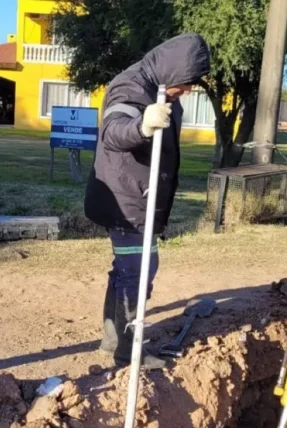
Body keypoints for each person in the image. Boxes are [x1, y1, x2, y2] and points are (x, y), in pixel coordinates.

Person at [85, 33, 211, 370]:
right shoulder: (131, 87)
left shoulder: (161, 89)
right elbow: (113, 131)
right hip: (126, 201)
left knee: (127, 270)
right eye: (188, 82)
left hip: (139, 196)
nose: (189, 90)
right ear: (174, 70)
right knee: (138, 272)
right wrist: (141, 126)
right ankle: (128, 352)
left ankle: (113, 340)